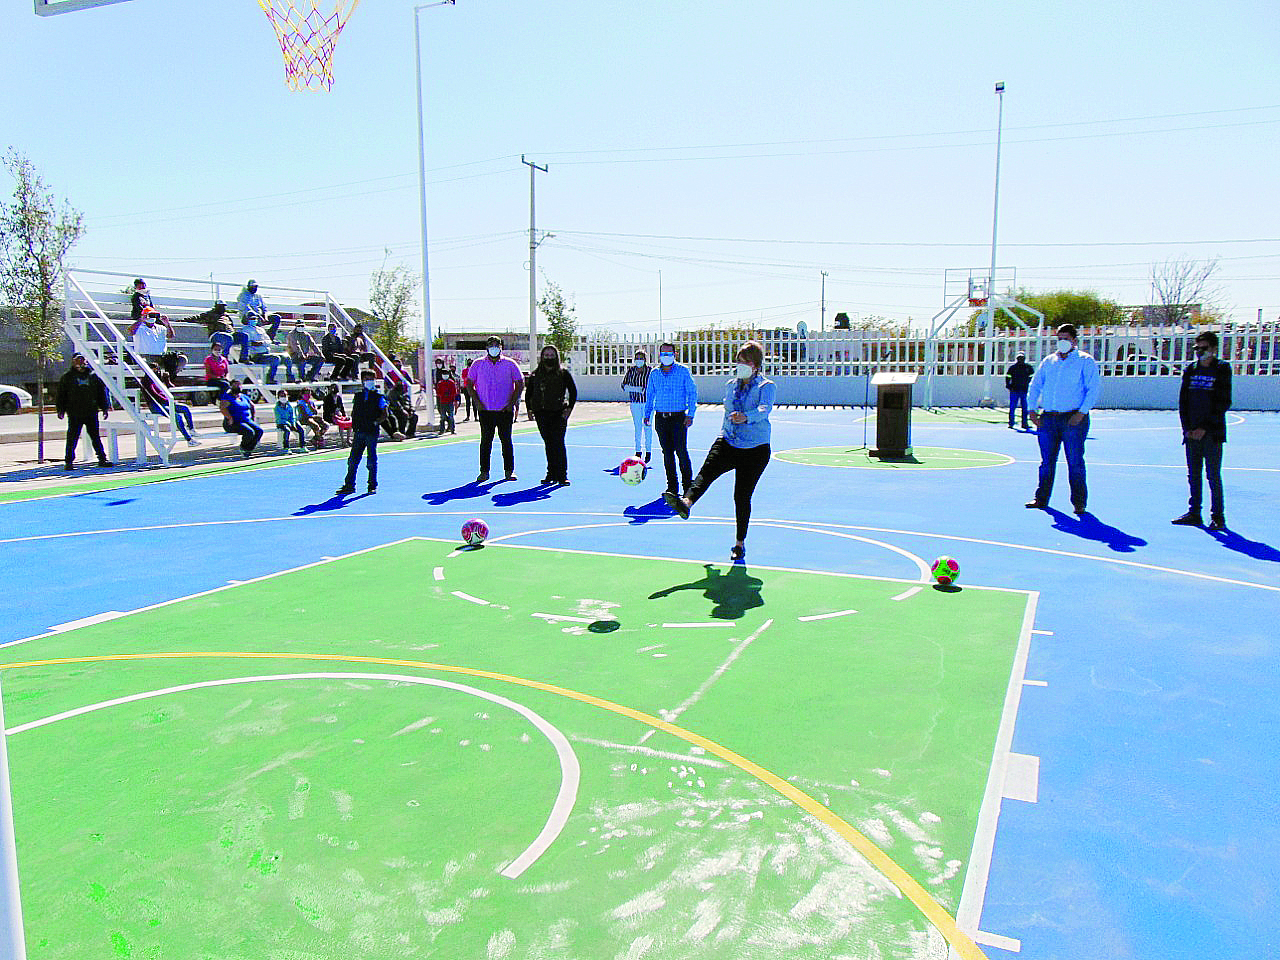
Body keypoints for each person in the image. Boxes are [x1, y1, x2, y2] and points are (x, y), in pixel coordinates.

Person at [665, 341, 774, 562]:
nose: (739, 365)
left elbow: (764, 410)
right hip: (728, 440)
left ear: (755, 365)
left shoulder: (766, 386)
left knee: (741, 496)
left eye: (745, 362)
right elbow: (728, 409)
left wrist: (747, 416)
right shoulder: (731, 385)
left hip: (755, 449)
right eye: (738, 361)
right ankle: (686, 503)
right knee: (706, 473)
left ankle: (739, 544)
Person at [1025, 323, 1101, 514]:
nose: (1062, 342)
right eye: (1059, 338)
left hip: (1073, 419)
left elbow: (1093, 389)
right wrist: (1031, 410)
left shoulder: (1085, 361)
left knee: (1075, 461)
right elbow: (1035, 385)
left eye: (1066, 338)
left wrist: (1081, 413)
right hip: (1049, 419)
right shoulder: (1049, 361)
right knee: (1046, 462)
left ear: (1075, 340)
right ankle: (1041, 498)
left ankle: (1079, 502)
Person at [1172, 330, 1232, 530]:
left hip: (1212, 433)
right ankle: (1194, 512)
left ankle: (1217, 515)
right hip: (1191, 433)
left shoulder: (1222, 369)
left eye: (1204, 348)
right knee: (1193, 474)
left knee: (1213, 474)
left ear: (1214, 349)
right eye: (1197, 348)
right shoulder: (1191, 370)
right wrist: (1187, 428)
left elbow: (1223, 402)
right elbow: (1184, 401)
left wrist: (1204, 428)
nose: (1200, 352)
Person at [644, 341, 698, 496]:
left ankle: (688, 486)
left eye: (669, 353)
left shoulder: (683, 371)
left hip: (678, 418)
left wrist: (691, 414)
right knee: (667, 453)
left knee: (681, 451)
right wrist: (647, 414)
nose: (666, 356)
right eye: (663, 353)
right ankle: (672, 487)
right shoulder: (654, 373)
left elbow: (692, 392)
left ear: (675, 355)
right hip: (661, 418)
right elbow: (650, 394)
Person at [468, 336, 524, 483]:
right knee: (486, 441)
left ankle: (509, 471)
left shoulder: (510, 364)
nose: (494, 347)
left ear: (501, 347)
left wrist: (511, 403)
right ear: (486, 347)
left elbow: (520, 383)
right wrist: (477, 403)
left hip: (505, 411)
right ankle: (484, 472)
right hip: (485, 410)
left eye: (496, 345)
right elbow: (469, 384)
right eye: (491, 345)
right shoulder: (477, 364)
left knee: (506, 441)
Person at [526, 344, 578, 485]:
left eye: (551, 355)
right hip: (541, 414)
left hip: (558, 413)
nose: (549, 357)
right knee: (548, 444)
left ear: (556, 357)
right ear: (542, 357)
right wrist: (529, 409)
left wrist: (569, 409)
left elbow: (573, 392)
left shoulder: (563, 373)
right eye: (546, 355)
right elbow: (529, 392)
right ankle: (551, 474)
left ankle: (562, 475)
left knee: (558, 443)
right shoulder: (536, 374)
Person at [55, 353, 112, 470]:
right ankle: (69, 461)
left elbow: (101, 393)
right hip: (74, 413)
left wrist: (105, 408)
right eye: (77, 360)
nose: (80, 363)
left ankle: (102, 459)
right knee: (72, 437)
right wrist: (60, 410)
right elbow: (61, 395)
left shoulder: (93, 376)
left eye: (82, 360)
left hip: (91, 412)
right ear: (73, 362)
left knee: (95, 437)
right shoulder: (67, 377)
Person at [336, 370, 387, 495]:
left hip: (371, 432)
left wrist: (375, 423)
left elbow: (385, 413)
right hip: (359, 431)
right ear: (362, 380)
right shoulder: (358, 396)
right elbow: (355, 412)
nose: (369, 381)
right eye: (366, 379)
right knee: (353, 460)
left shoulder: (378, 396)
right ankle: (349, 485)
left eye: (371, 379)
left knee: (371, 460)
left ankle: (372, 485)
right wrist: (354, 425)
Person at [140, 363, 199, 446]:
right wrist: (168, 400)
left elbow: (169, 386)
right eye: (154, 369)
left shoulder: (156, 379)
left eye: (157, 369)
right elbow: (154, 395)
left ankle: (191, 429)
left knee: (185, 408)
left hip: (165, 402)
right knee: (177, 417)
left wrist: (166, 379)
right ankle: (189, 439)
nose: (157, 371)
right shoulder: (146, 381)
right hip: (156, 405)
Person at [621, 348, 653, 462]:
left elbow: (653, 386)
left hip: (647, 404)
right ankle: (638, 451)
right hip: (635, 403)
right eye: (637, 358)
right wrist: (636, 389)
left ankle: (648, 451)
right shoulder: (631, 371)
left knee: (647, 427)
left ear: (645, 360)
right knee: (637, 427)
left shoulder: (650, 371)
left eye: (641, 358)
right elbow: (623, 385)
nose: (639, 360)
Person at [219, 379, 264, 457]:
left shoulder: (244, 396)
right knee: (249, 432)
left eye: (239, 384)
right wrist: (229, 418)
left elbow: (252, 406)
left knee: (259, 431)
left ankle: (249, 449)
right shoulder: (227, 397)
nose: (238, 386)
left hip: (246, 420)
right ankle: (243, 448)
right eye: (235, 385)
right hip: (233, 422)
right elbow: (222, 408)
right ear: (231, 386)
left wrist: (252, 417)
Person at [238, 315, 285, 383]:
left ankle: (291, 378)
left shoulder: (261, 329)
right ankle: (270, 379)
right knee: (276, 358)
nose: (254, 320)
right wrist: (262, 343)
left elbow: (268, 340)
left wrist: (262, 343)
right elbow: (250, 343)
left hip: (266, 353)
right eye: (252, 318)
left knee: (286, 358)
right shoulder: (245, 329)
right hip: (256, 355)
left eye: (255, 318)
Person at [1005, 351, 1034, 430]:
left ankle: (1024, 424)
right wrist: (1008, 385)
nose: (1020, 359)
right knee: (1012, 407)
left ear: (1024, 359)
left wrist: (1030, 387)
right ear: (1017, 359)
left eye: (1022, 358)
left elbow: (1032, 378)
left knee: (1025, 408)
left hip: (1024, 390)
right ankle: (1011, 423)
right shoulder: (1013, 368)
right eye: (1019, 358)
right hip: (1014, 390)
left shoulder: (1029, 368)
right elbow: (1008, 377)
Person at [435, 370, 460, 434]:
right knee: (442, 417)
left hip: (450, 402)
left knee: (451, 416)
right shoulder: (440, 383)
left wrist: (455, 401)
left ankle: (452, 429)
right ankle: (442, 430)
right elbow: (438, 393)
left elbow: (455, 392)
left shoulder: (451, 382)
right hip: (443, 402)